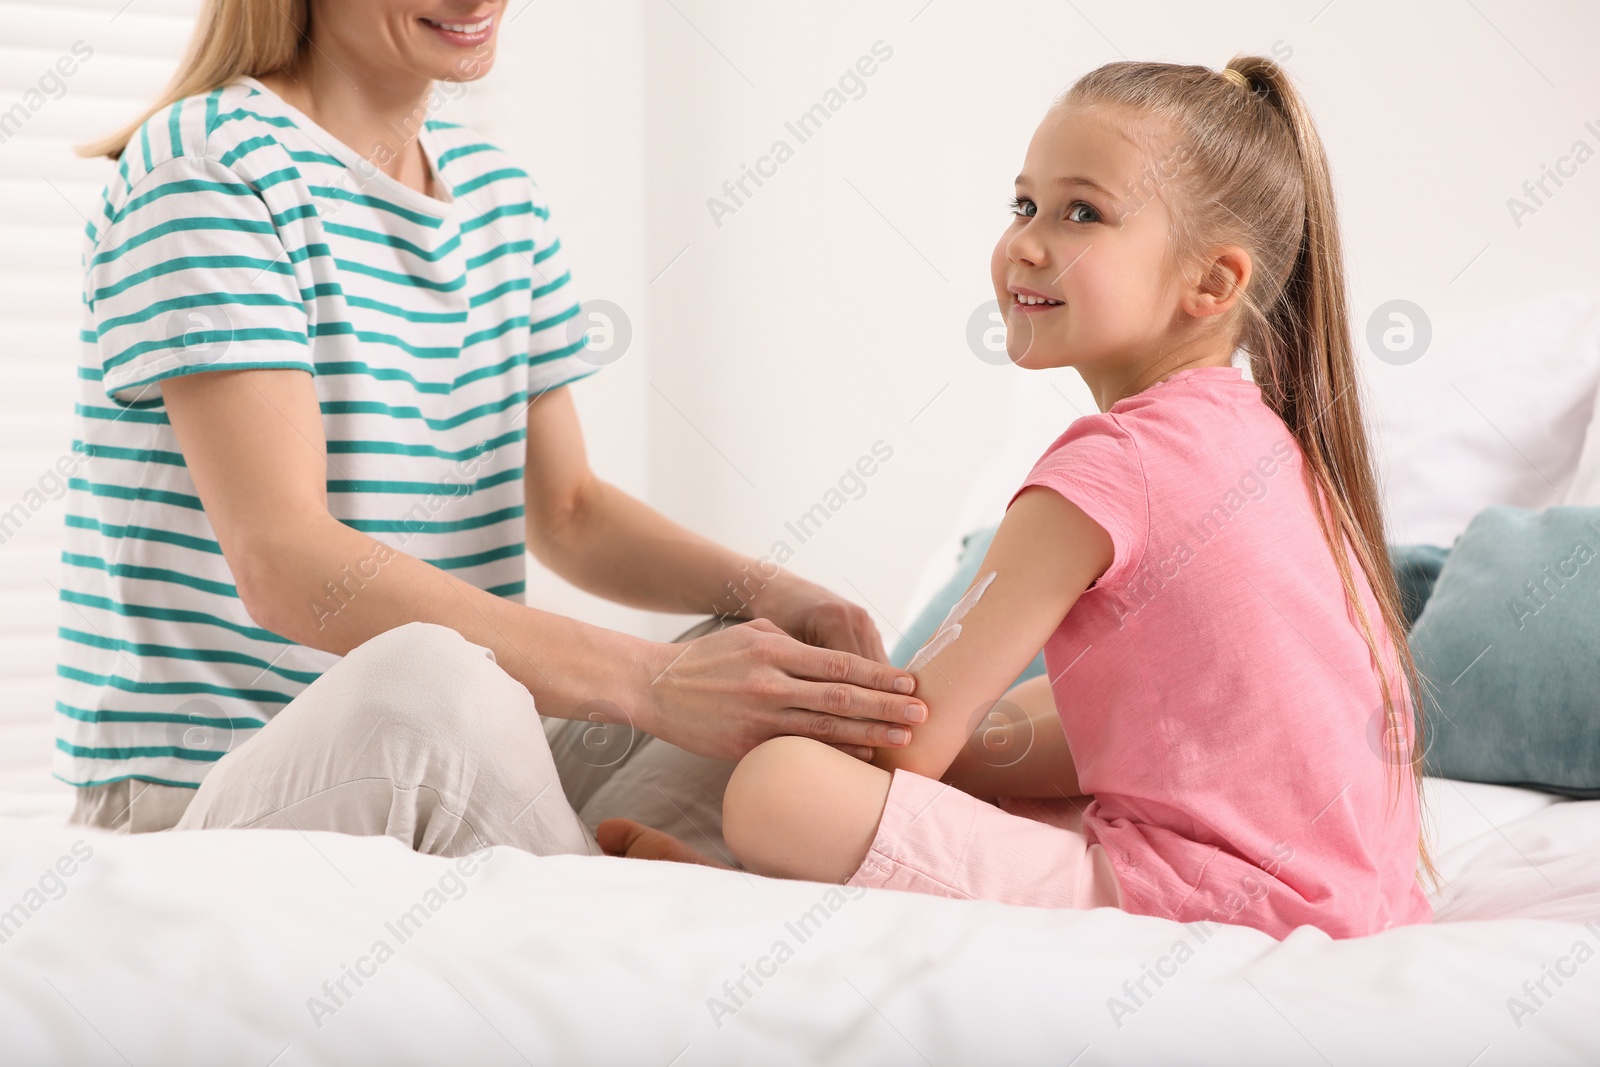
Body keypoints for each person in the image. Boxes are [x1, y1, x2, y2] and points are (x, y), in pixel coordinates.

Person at [58, 0, 926, 858]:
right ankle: (627, 927)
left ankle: (645, 895)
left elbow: (572, 510)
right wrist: (648, 681)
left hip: (459, 737)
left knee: (773, 674)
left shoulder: (495, 191)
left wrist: (774, 595)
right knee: (429, 678)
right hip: (212, 786)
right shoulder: (207, 170)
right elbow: (283, 563)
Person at [605, 57, 1437, 940]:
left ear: (1213, 284)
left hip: (1215, 901)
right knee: (1020, 735)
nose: (1027, 243)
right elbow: (1125, 723)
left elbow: (909, 742)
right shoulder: (1272, 444)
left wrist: (799, 714)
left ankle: (748, 885)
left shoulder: (1112, 466)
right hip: (1351, 897)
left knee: (781, 785)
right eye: (1024, 205)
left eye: (1083, 213)